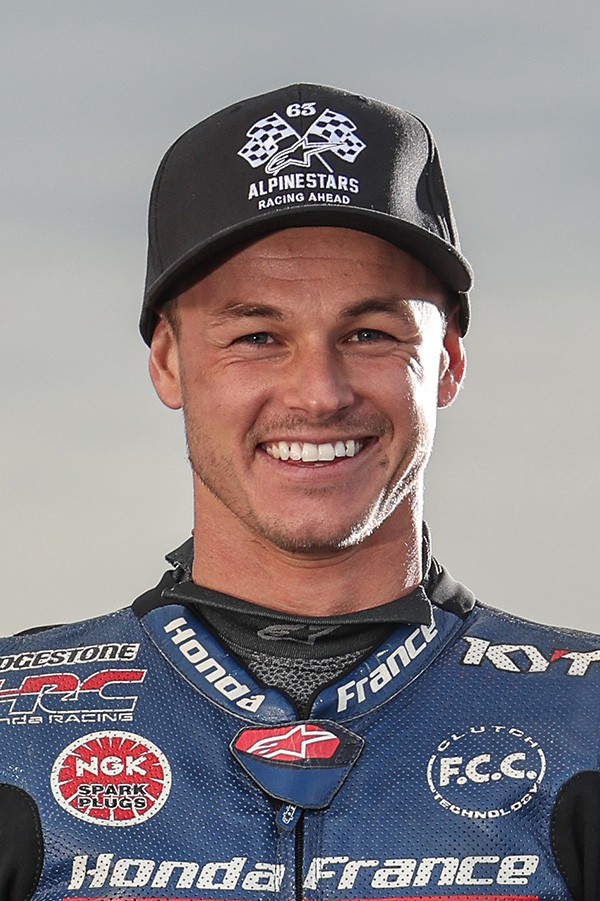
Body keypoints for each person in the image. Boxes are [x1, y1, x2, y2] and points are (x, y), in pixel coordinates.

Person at [0, 84, 598, 901]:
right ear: (169, 362)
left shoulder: (584, 722)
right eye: (257, 336)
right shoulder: (17, 730)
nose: (318, 394)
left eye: (369, 333)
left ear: (448, 361)